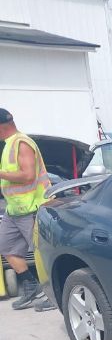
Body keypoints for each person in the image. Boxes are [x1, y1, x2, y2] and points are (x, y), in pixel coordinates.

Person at [0, 108, 51, 310]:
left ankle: (52, 295)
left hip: (32, 208)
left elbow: (28, 175)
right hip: (14, 210)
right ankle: (31, 286)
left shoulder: (22, 143)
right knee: (5, 246)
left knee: (42, 253)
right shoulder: (8, 145)